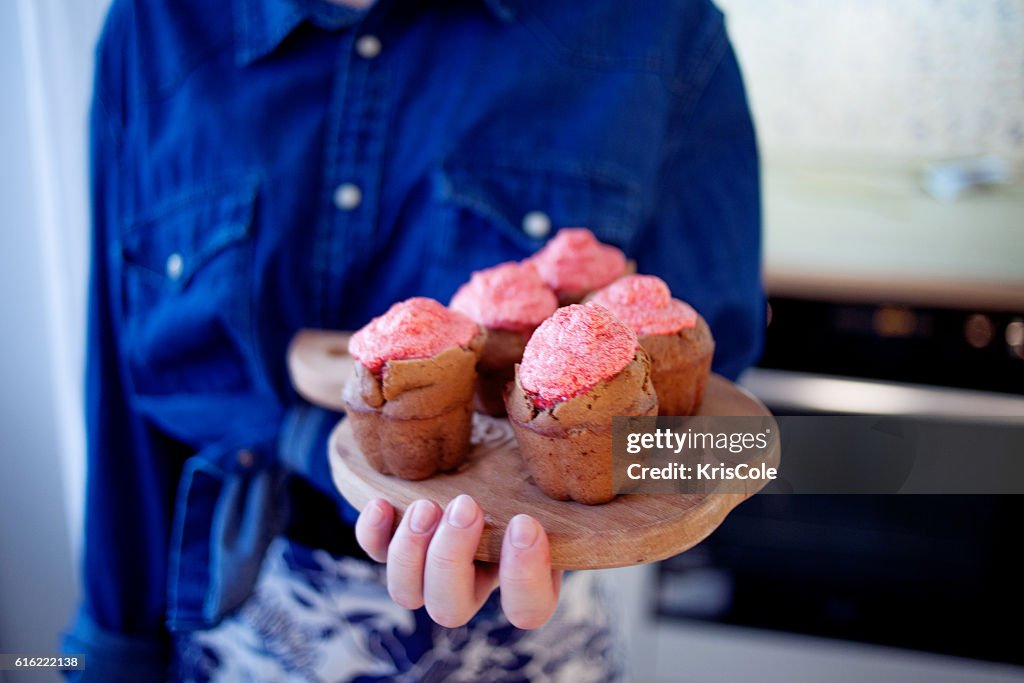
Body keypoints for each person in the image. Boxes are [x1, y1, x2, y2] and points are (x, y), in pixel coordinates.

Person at [63, 0, 762, 679]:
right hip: (241, 607)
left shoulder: (662, 23)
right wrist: (110, 646)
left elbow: (707, 424)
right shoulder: (156, 23)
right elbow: (130, 382)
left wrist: (562, 512)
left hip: (527, 637)